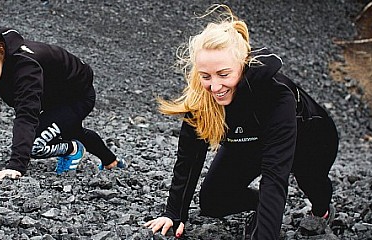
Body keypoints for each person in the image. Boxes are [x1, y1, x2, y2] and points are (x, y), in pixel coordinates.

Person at [143, 5, 339, 240]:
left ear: (243, 65)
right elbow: (189, 159)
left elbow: (274, 177)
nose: (215, 87)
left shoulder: (276, 94)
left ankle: (322, 211)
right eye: (206, 76)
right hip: (249, 139)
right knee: (213, 201)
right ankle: (262, 206)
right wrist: (174, 214)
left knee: (313, 184)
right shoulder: (202, 96)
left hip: (309, 139)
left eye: (224, 75)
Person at [0, 26, 127, 181]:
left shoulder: (25, 67)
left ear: (0, 51)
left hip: (78, 95)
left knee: (35, 144)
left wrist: (15, 166)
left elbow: (26, 115)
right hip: (53, 94)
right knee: (67, 127)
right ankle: (111, 162)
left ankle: (73, 150)